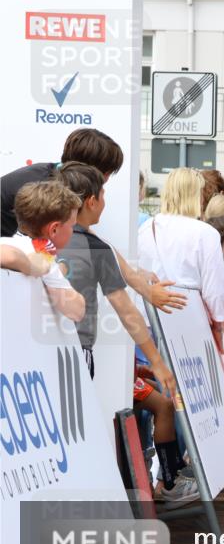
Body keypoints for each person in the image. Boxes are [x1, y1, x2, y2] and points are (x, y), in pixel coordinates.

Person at [53, 162, 177, 391]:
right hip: (77, 349)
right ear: (92, 201)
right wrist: (157, 362)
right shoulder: (97, 248)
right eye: (103, 195)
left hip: (39, 352)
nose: (104, 202)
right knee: (78, 422)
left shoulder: (41, 237)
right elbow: (126, 309)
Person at [138, 168, 224, 344]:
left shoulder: (146, 227)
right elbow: (214, 288)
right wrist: (218, 325)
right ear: (196, 195)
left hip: (150, 319)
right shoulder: (206, 233)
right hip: (189, 321)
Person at [1, 128, 123, 237]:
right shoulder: (46, 189)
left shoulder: (58, 176)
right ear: (88, 169)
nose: (105, 180)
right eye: (106, 173)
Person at [0, 181, 85, 321]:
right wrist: (34, 266)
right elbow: (77, 311)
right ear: (54, 229)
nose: (73, 232)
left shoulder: (5, 241)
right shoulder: (41, 256)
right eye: (72, 226)